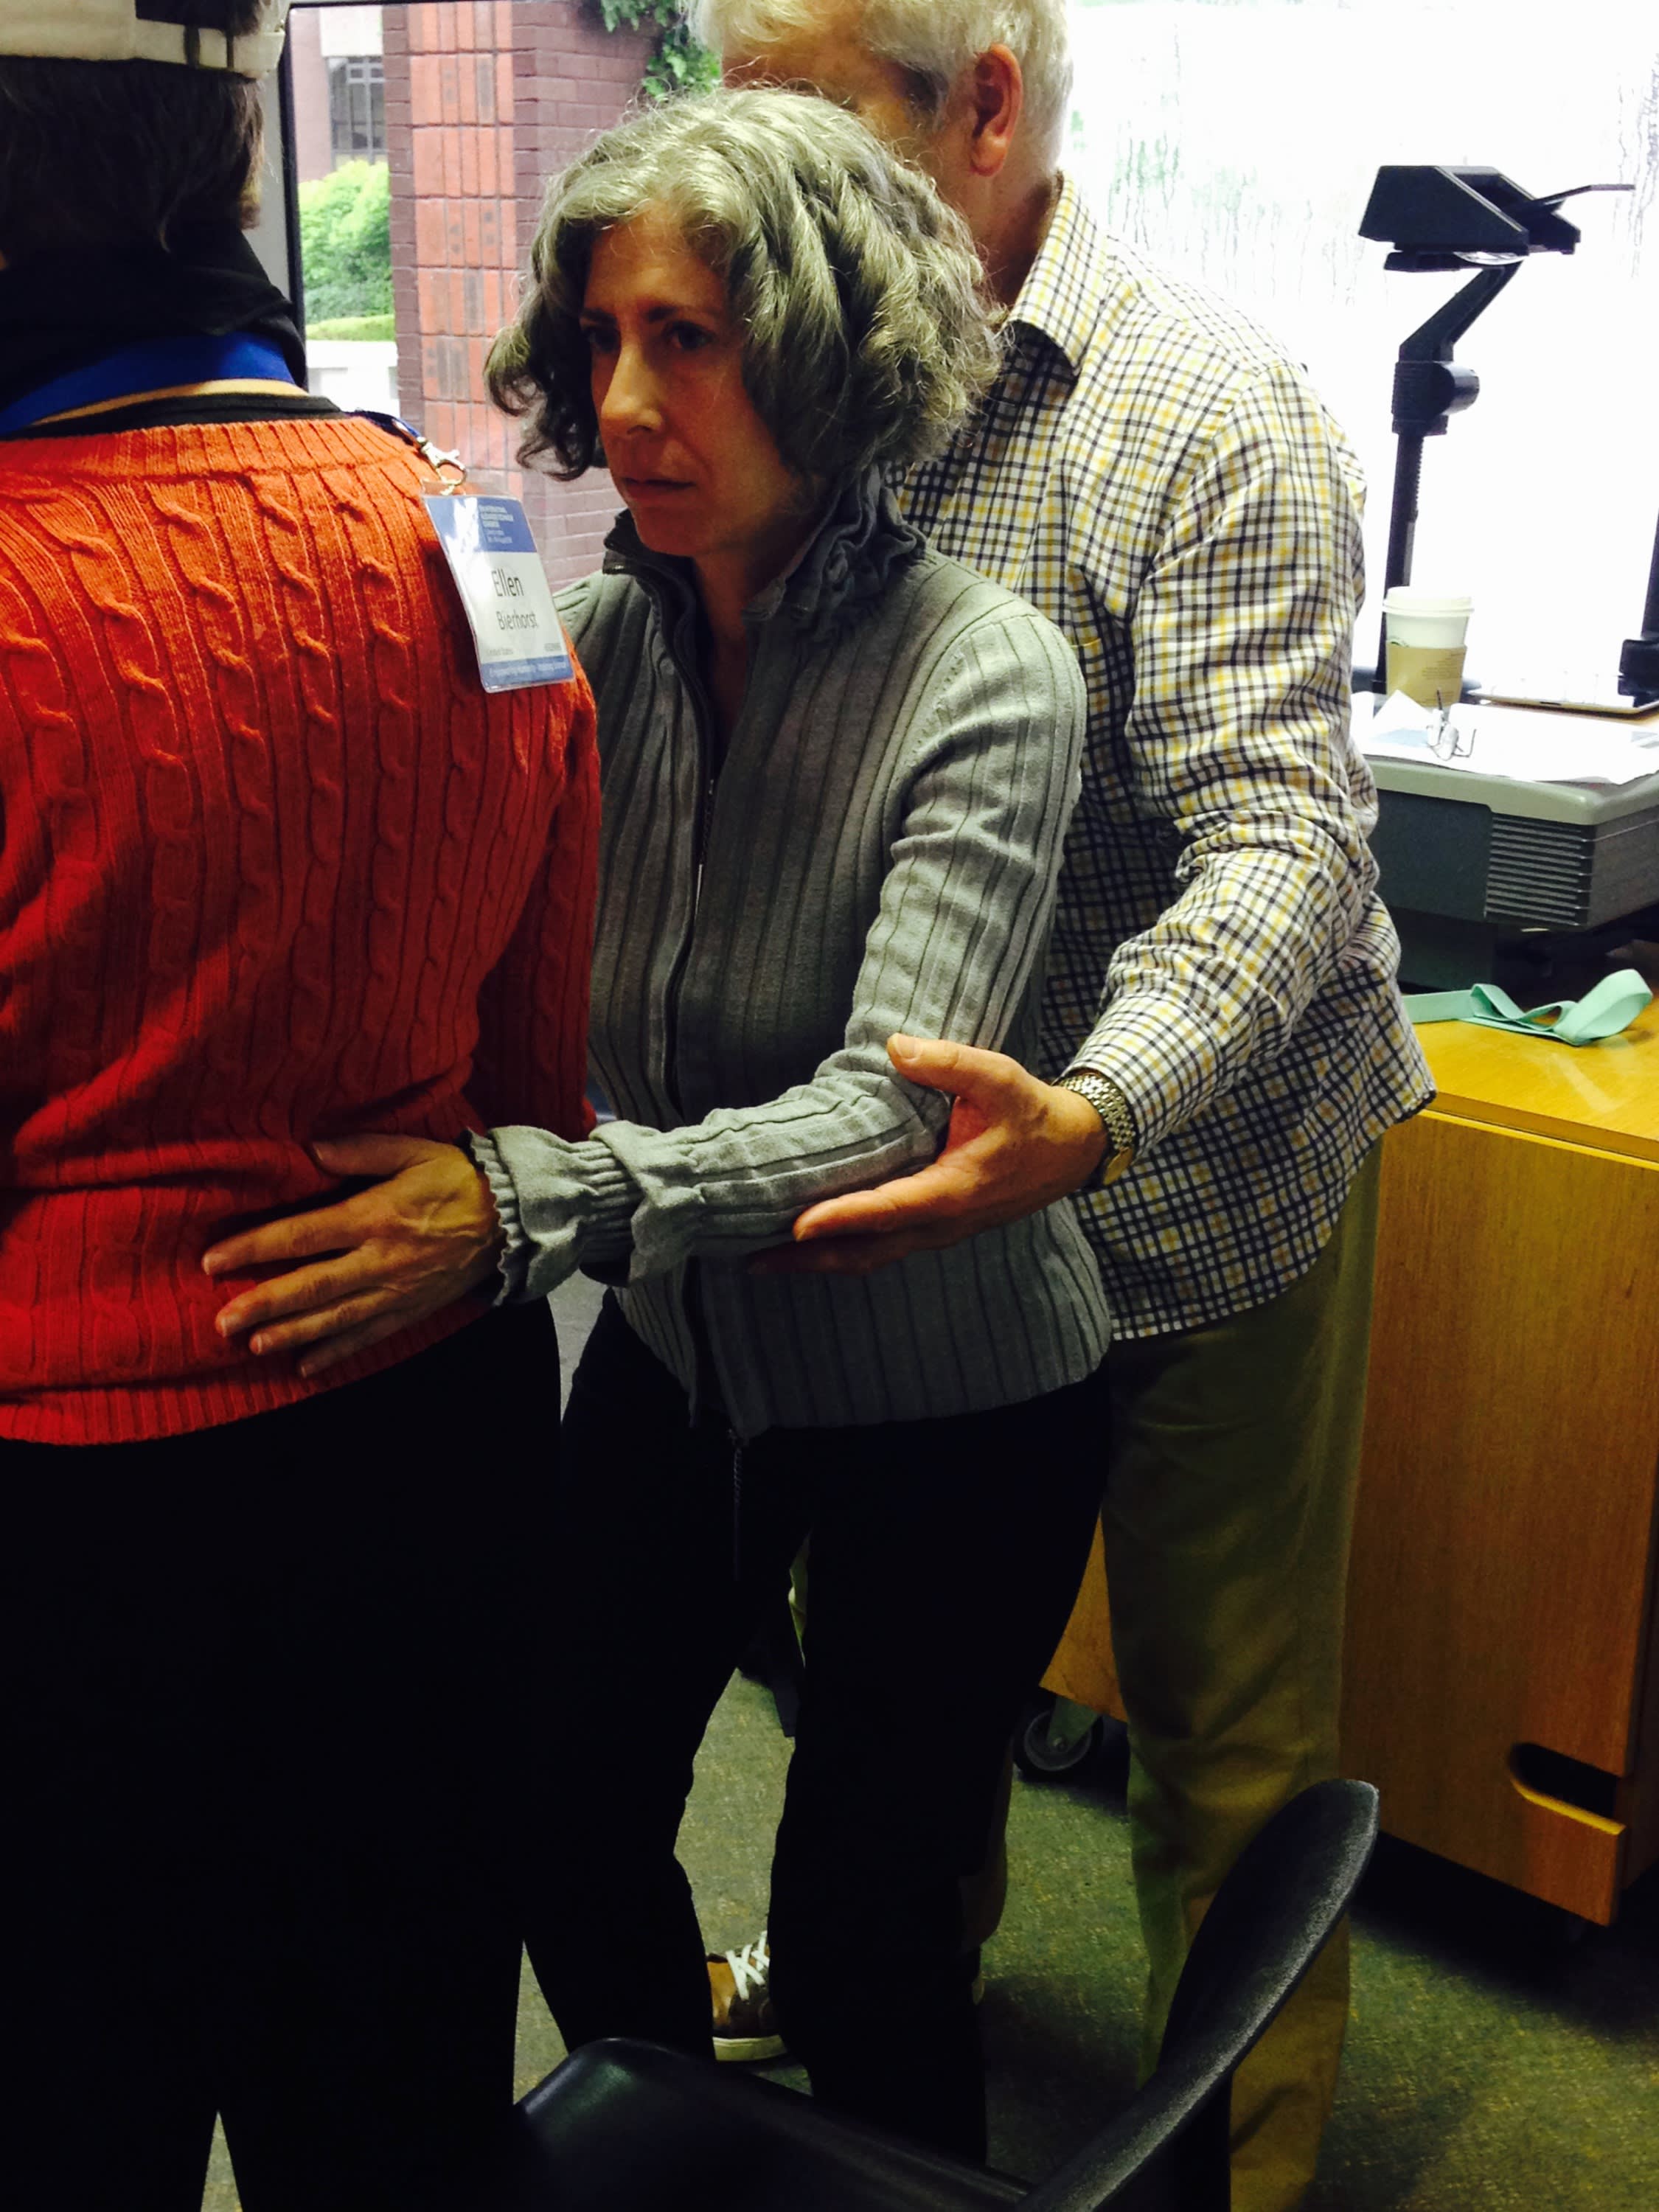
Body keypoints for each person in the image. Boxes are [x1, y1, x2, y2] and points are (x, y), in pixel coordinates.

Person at [207, 86, 1115, 2164]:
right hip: (684, 1354)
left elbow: (888, 1114)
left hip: (951, 1394)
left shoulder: (988, 674)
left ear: (826, 355)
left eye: (687, 341)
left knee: (865, 1922)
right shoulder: (594, 641)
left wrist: (525, 1205)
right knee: (556, 1807)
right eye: (602, 337)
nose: (622, 404)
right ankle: (681, 2159)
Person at [676, 4, 1437, 2206]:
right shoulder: (808, 380)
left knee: (1223, 1733)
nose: (751, 179)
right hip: (938, 1195)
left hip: (1200, 1175)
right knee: (900, 1677)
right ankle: (886, 1978)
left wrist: (1091, 1112)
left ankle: (1237, 2163)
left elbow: (1282, 846)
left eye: (808, 120)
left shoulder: (1205, 412)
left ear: (983, 107)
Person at [0, 6, 599, 2206]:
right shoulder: (476, 534)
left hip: (67, 1534)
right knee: (400, 2109)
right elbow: (533, 1089)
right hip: (431, 1457)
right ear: (230, 163)